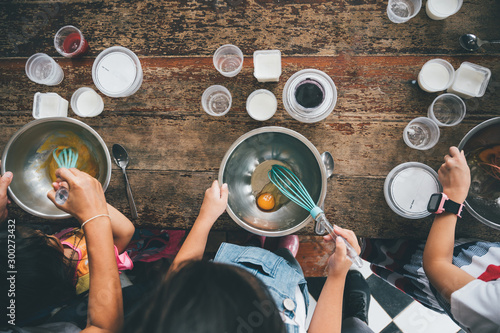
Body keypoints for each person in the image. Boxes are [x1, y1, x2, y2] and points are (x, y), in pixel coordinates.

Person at [124, 180, 373, 333]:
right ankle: (284, 255)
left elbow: (179, 281)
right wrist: (337, 274)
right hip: (285, 293)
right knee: (286, 261)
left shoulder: (170, 320)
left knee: (248, 250)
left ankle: (253, 244)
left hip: (232, 262)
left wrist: (206, 218)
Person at [361, 147, 500, 332]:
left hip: (438, 274)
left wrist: (453, 194)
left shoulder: (494, 311)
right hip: (478, 247)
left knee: (379, 242)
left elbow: (436, 264)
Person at [0, 167, 133, 332]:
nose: (41, 231)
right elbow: (126, 232)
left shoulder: (41, 275)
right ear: (51, 259)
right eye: (43, 237)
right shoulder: (88, 266)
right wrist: (91, 208)